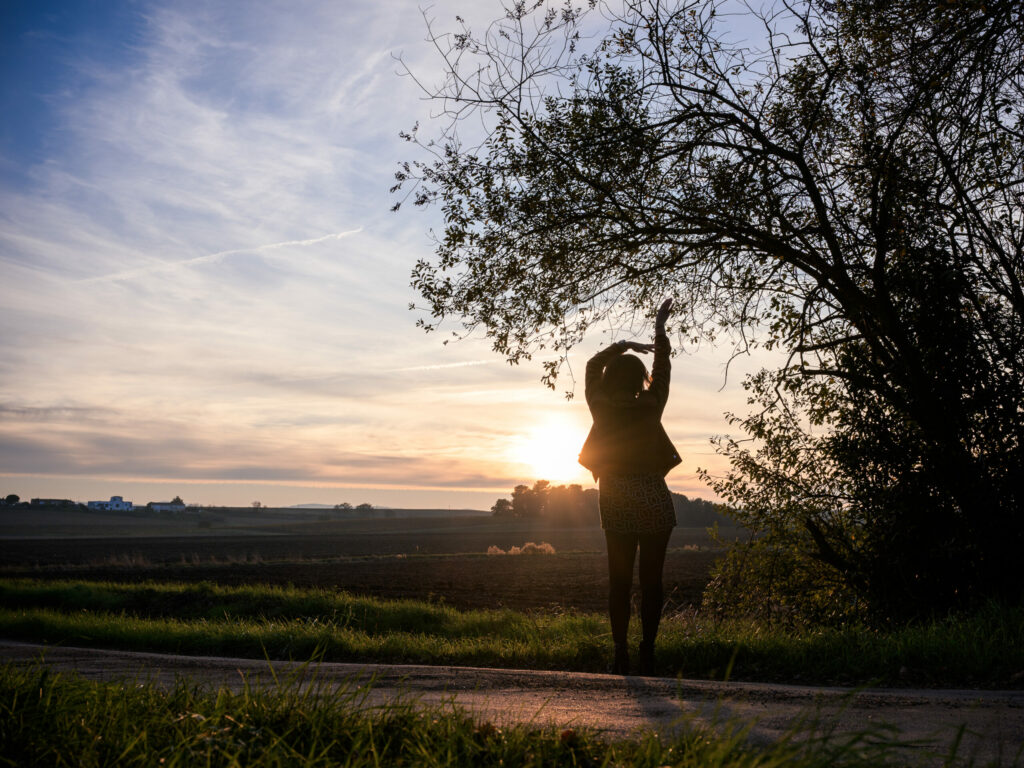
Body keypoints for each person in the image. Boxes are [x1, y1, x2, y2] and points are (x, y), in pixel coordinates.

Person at [578, 299, 681, 676]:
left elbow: (590, 365)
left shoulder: (601, 406)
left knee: (619, 582)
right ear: (640, 379)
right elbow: (664, 368)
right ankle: (648, 653)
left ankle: (620, 653)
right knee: (652, 583)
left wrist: (622, 345)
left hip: (616, 501)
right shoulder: (652, 403)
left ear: (609, 379)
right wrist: (658, 329)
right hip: (654, 499)